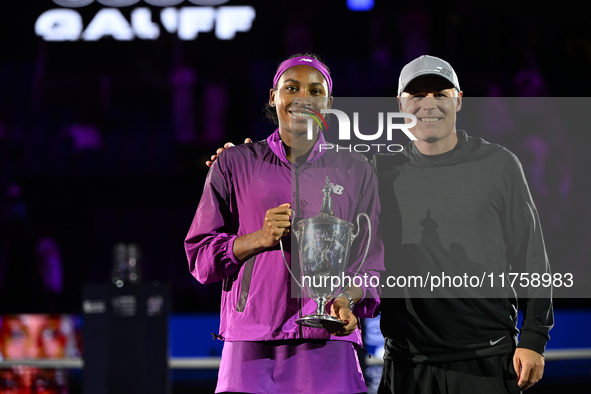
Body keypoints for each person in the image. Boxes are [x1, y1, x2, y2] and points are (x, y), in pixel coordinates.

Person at [208, 55, 553, 394]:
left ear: (458, 101)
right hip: (405, 361)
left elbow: (532, 256)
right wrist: (244, 162)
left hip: (486, 357)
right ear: (401, 105)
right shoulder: (377, 171)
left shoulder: (499, 165)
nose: (428, 104)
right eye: (417, 96)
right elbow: (309, 174)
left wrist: (535, 338)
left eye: (440, 94)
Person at [185, 54, 383, 394]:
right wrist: (256, 239)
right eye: (291, 87)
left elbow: (375, 263)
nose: (303, 97)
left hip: (329, 340)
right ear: (274, 96)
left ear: (328, 103)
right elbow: (201, 258)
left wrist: (348, 300)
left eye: (315, 89)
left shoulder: (356, 168)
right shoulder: (234, 163)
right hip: (251, 342)